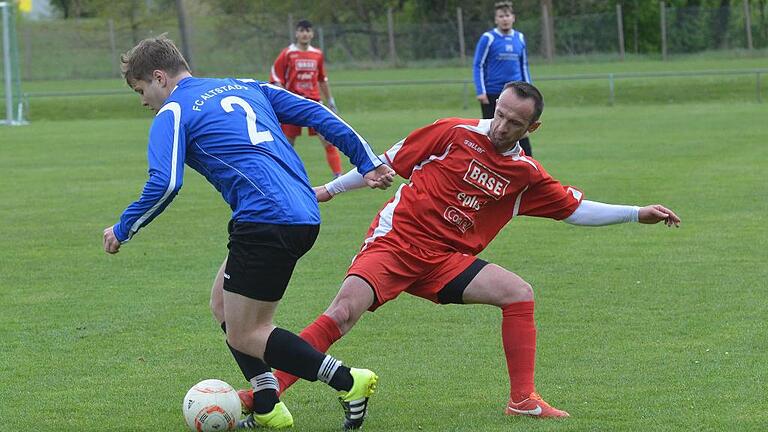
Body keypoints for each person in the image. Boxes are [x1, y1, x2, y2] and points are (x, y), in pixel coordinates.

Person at [236, 81, 681, 420]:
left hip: (444, 261)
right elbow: (384, 162)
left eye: (515, 123)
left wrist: (635, 212)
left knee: (518, 292)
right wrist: (330, 190)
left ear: (533, 129)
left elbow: (573, 208)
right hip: (396, 244)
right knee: (342, 314)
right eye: (500, 114)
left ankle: (523, 400)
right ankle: (264, 394)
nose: (502, 126)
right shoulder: (453, 132)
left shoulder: (525, 175)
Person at [101, 36, 395, 430]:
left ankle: (347, 380)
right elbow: (316, 112)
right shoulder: (244, 85)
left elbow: (166, 183)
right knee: (222, 303)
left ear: (159, 77)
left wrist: (123, 228)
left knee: (247, 333)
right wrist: (367, 161)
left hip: (265, 219)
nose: (143, 101)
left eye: (141, 90)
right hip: (300, 213)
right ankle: (268, 403)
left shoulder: (172, 112)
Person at [271, 19, 344, 178]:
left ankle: (338, 176)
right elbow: (277, 78)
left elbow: (322, 79)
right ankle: (285, 176)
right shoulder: (288, 53)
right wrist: (282, 100)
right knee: (287, 144)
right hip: (293, 105)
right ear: (296, 33)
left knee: (328, 139)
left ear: (312, 34)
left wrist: (330, 101)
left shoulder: (317, 54)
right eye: (301, 31)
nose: (304, 34)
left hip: (313, 104)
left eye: (308, 31)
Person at [473, 1, 534, 156]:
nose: (505, 19)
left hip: (517, 94)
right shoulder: (488, 38)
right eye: (501, 16)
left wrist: (530, 91)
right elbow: (478, 65)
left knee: (521, 130)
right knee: (494, 132)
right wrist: (481, 91)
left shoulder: (519, 38)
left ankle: (528, 162)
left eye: (507, 15)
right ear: (496, 19)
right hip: (493, 93)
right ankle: (491, 164)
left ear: (513, 18)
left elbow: (524, 65)